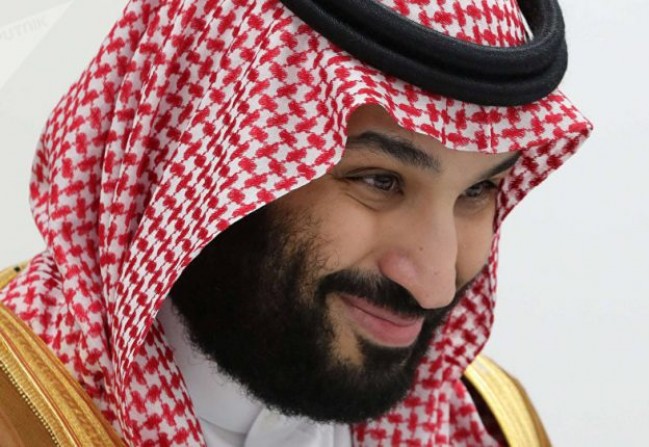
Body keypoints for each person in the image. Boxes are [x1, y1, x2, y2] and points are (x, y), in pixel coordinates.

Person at [0, 0, 591, 445]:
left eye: (478, 190)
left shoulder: (489, 426)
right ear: (194, 161)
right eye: (380, 181)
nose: (435, 284)